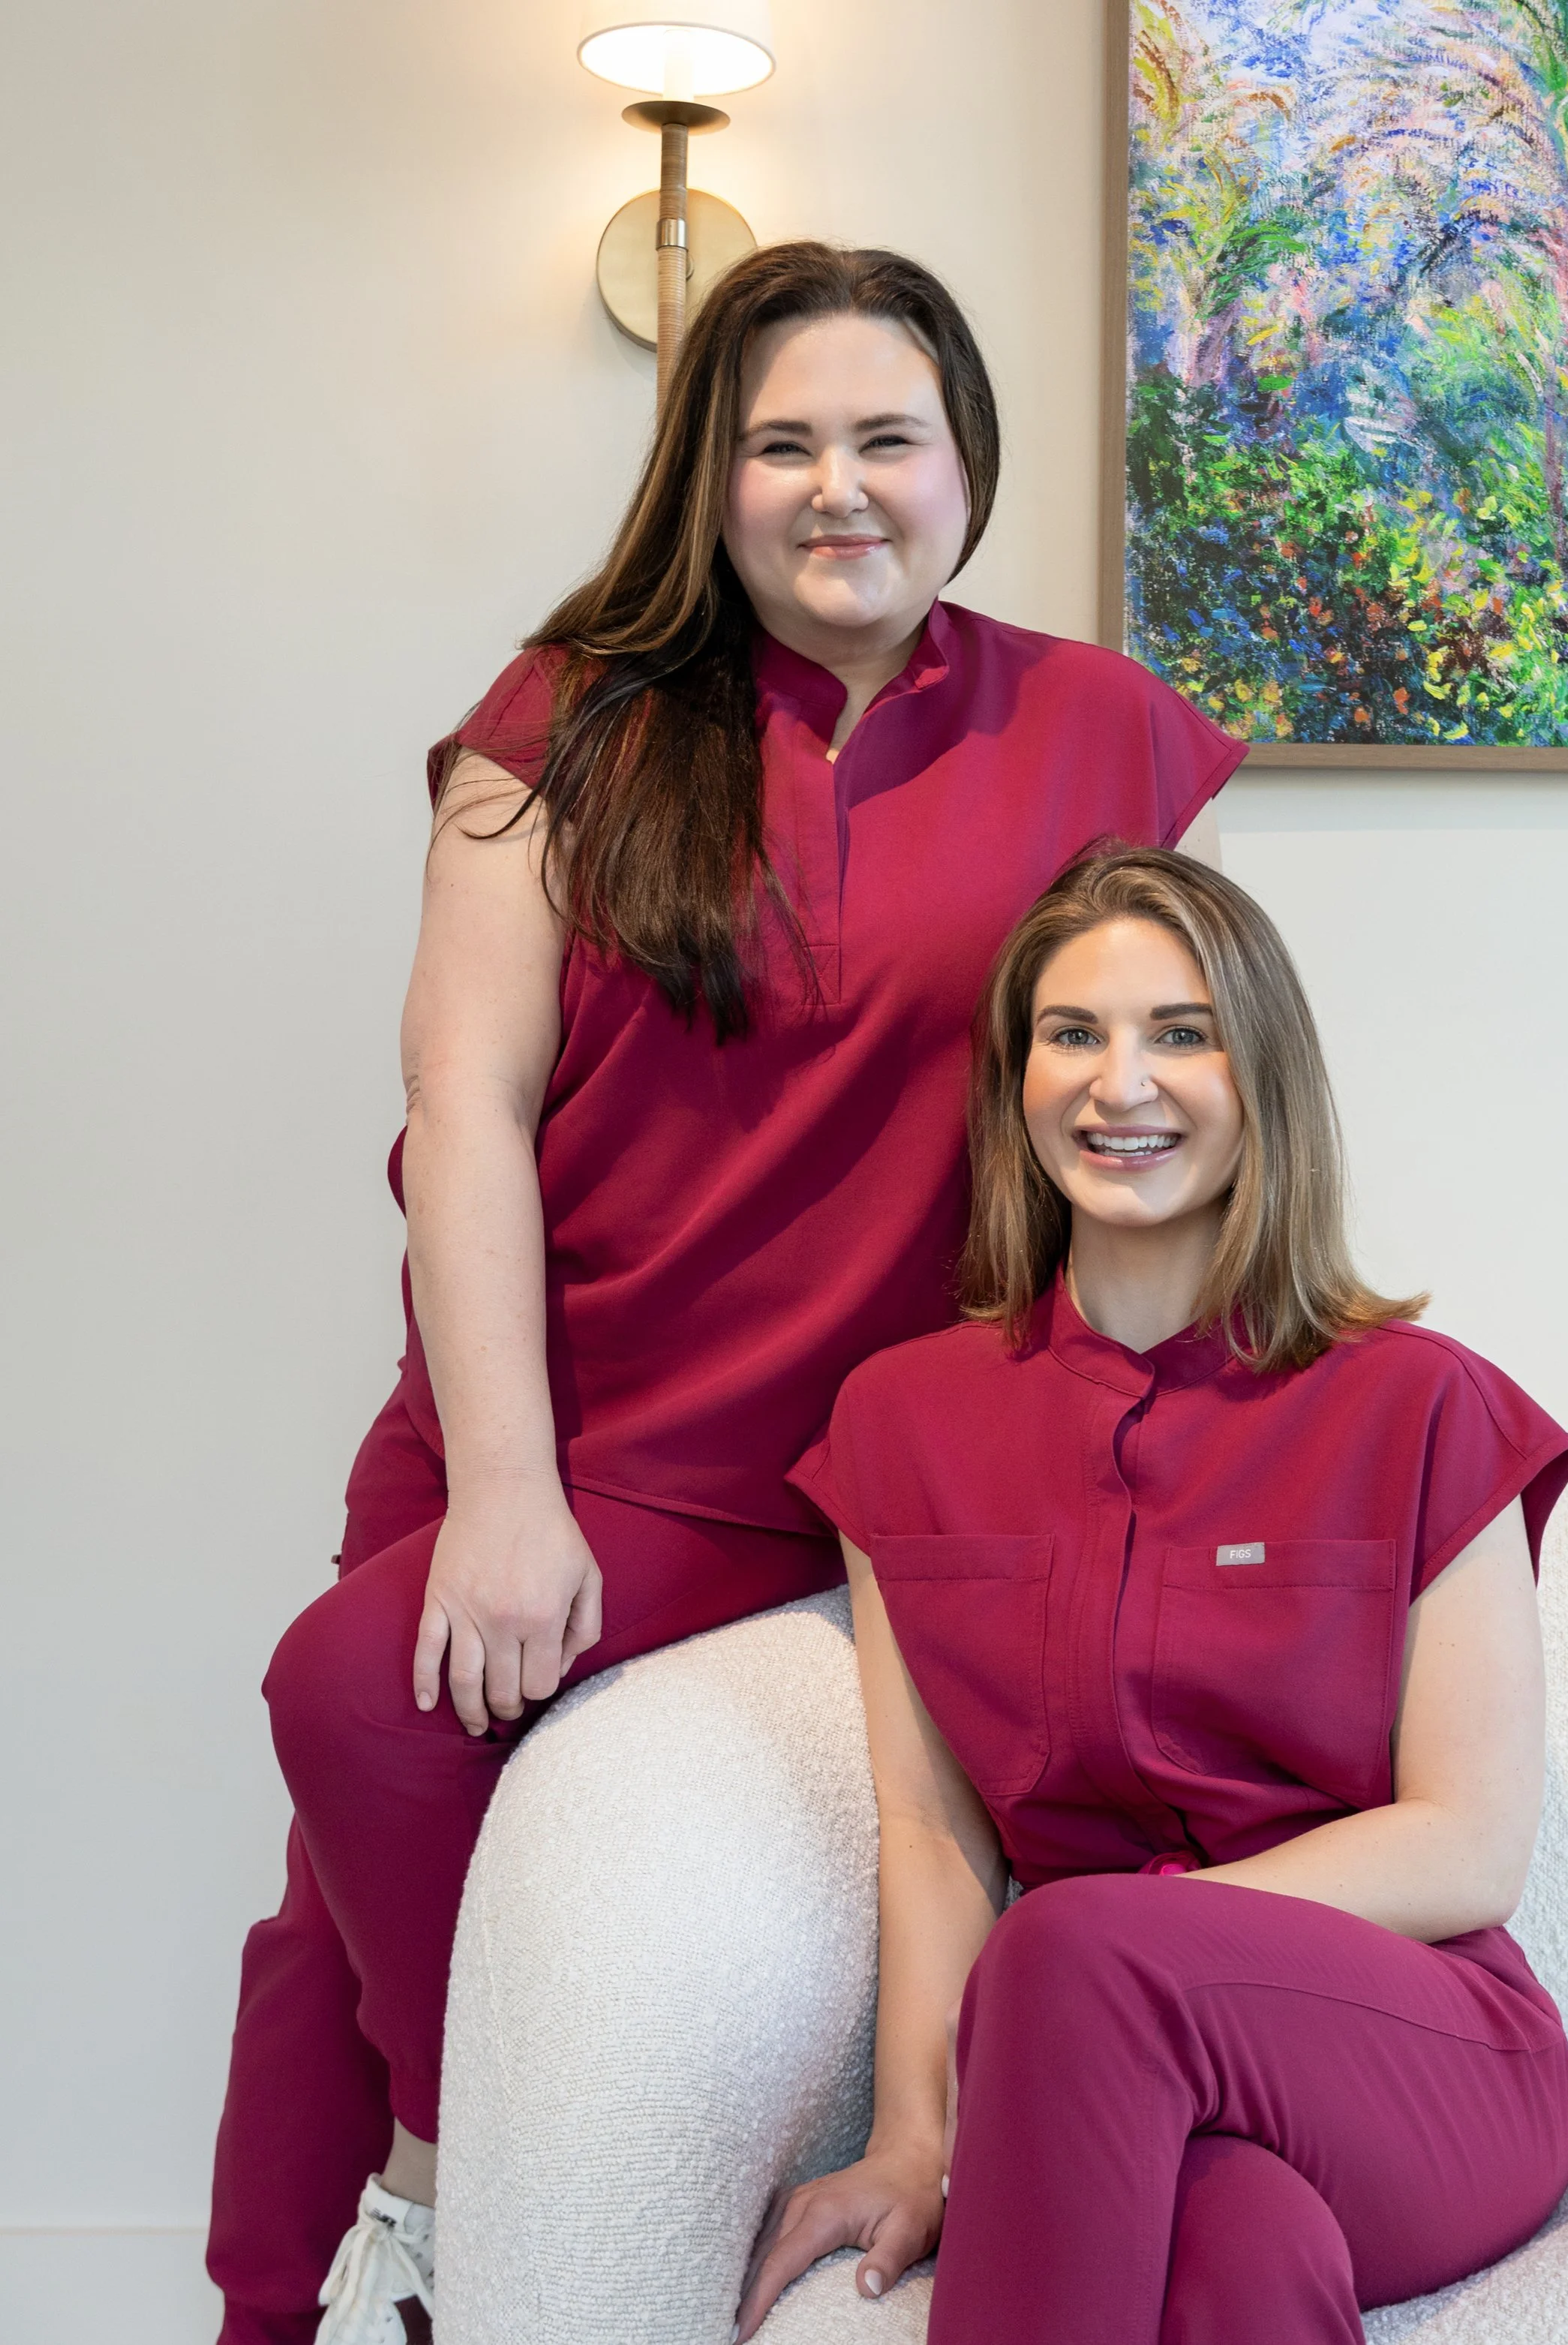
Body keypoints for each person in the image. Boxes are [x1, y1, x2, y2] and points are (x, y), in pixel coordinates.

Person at [206, 245, 1245, 2345]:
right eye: (781, 442)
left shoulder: (1100, 731)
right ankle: (332, 2273)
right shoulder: (564, 717)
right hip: (551, 1409)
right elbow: (463, 1100)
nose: (834, 486)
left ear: (967, 468)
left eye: (885, 439)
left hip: (844, 1445)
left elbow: (1166, 1081)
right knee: (350, 1785)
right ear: (710, 471)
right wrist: (505, 1489)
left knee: (350, 1754)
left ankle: (426, 2207)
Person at [744, 847, 1568, 2345]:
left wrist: (1122, 1944)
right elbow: (933, 1830)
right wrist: (911, 2133)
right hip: (1101, 2066)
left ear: (1258, 1074)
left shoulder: (1420, 1405)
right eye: (1070, 1032)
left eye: (1178, 1031)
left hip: (1420, 2056)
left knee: (1070, 1940)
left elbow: (1465, 1844)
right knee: (1237, 2265)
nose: (1115, 1080)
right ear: (1014, 1077)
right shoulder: (897, 1423)